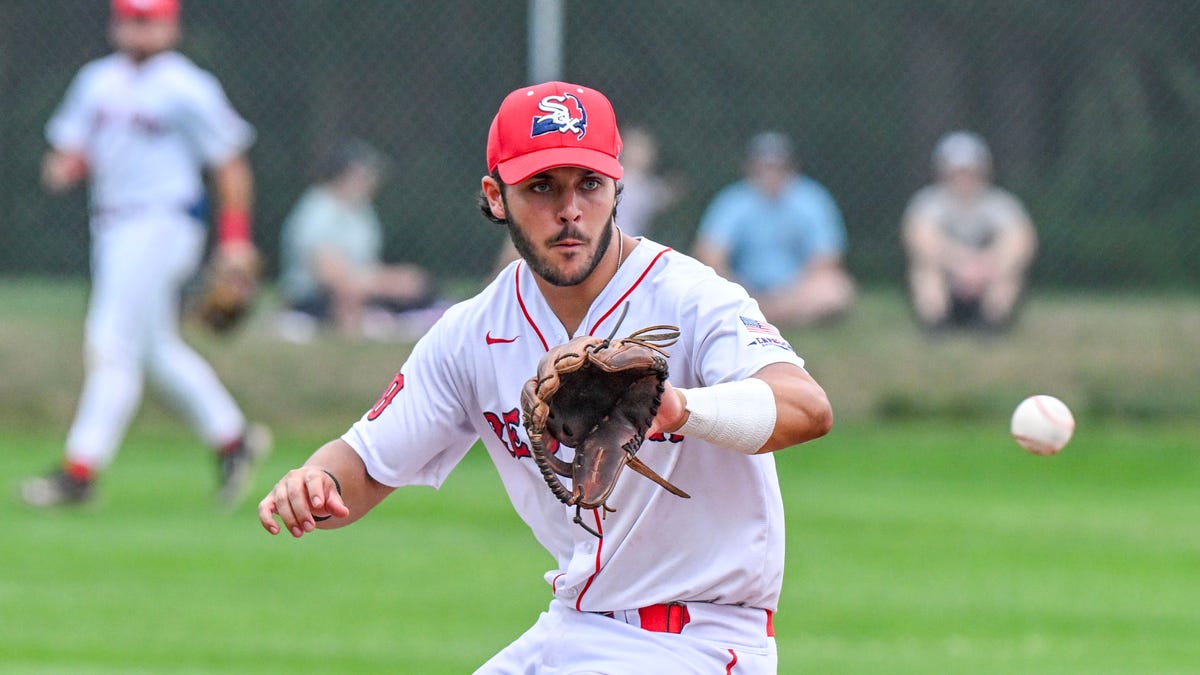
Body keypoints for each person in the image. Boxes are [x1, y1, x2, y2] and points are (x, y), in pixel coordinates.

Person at [258, 81, 834, 674]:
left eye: (589, 184)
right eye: (541, 186)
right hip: (572, 625)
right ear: (496, 195)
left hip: (699, 642)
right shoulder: (473, 333)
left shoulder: (691, 297)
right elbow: (363, 463)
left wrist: (678, 408)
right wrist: (315, 482)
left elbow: (806, 407)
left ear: (617, 188)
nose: (570, 210)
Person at [20, 0, 270, 510]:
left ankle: (79, 471)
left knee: (111, 342)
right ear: (115, 23)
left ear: (170, 25)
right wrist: (66, 166)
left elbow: (230, 163)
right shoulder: (96, 81)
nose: (139, 28)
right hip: (111, 226)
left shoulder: (187, 85)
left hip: (163, 221)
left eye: (149, 19)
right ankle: (234, 439)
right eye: (131, 18)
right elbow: (72, 148)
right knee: (155, 349)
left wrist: (235, 237)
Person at [276, 138, 439, 341]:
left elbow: (369, 264)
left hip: (361, 286)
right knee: (355, 297)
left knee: (420, 287)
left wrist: (400, 279)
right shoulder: (318, 211)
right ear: (345, 175)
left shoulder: (361, 209)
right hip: (316, 296)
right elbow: (331, 276)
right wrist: (389, 283)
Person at [693, 131, 856, 326]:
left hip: (798, 290)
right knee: (704, 288)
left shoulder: (812, 198)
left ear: (792, 167)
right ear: (750, 167)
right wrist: (744, 291)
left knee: (836, 290)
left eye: (778, 167)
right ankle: (782, 317)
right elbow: (709, 254)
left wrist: (787, 295)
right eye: (764, 167)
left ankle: (758, 318)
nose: (771, 173)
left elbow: (827, 258)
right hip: (743, 290)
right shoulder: (733, 200)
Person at [901, 131, 1038, 334]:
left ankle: (991, 323)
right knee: (925, 271)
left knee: (1010, 275)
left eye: (969, 171)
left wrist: (986, 266)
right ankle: (936, 324)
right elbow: (919, 240)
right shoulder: (928, 203)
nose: (963, 178)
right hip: (949, 279)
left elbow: (1021, 241)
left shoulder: (1000, 204)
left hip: (989, 277)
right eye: (957, 171)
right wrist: (962, 265)